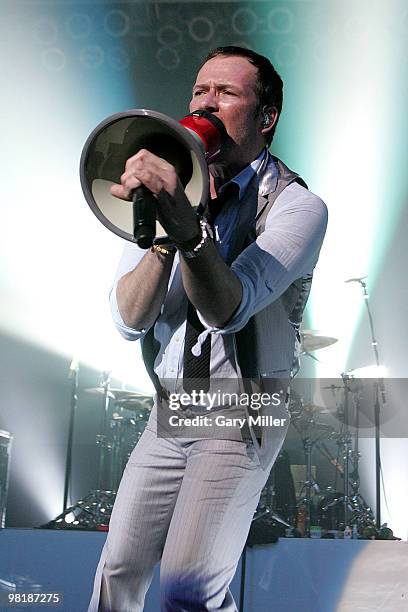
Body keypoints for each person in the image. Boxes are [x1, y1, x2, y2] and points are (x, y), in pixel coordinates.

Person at [88, 46, 327, 611]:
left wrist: (187, 228)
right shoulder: (177, 190)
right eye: (199, 92)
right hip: (172, 407)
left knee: (188, 590)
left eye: (226, 93)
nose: (206, 104)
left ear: (266, 117)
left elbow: (228, 310)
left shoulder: (297, 208)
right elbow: (128, 319)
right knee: (117, 574)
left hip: (244, 410)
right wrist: (165, 229)